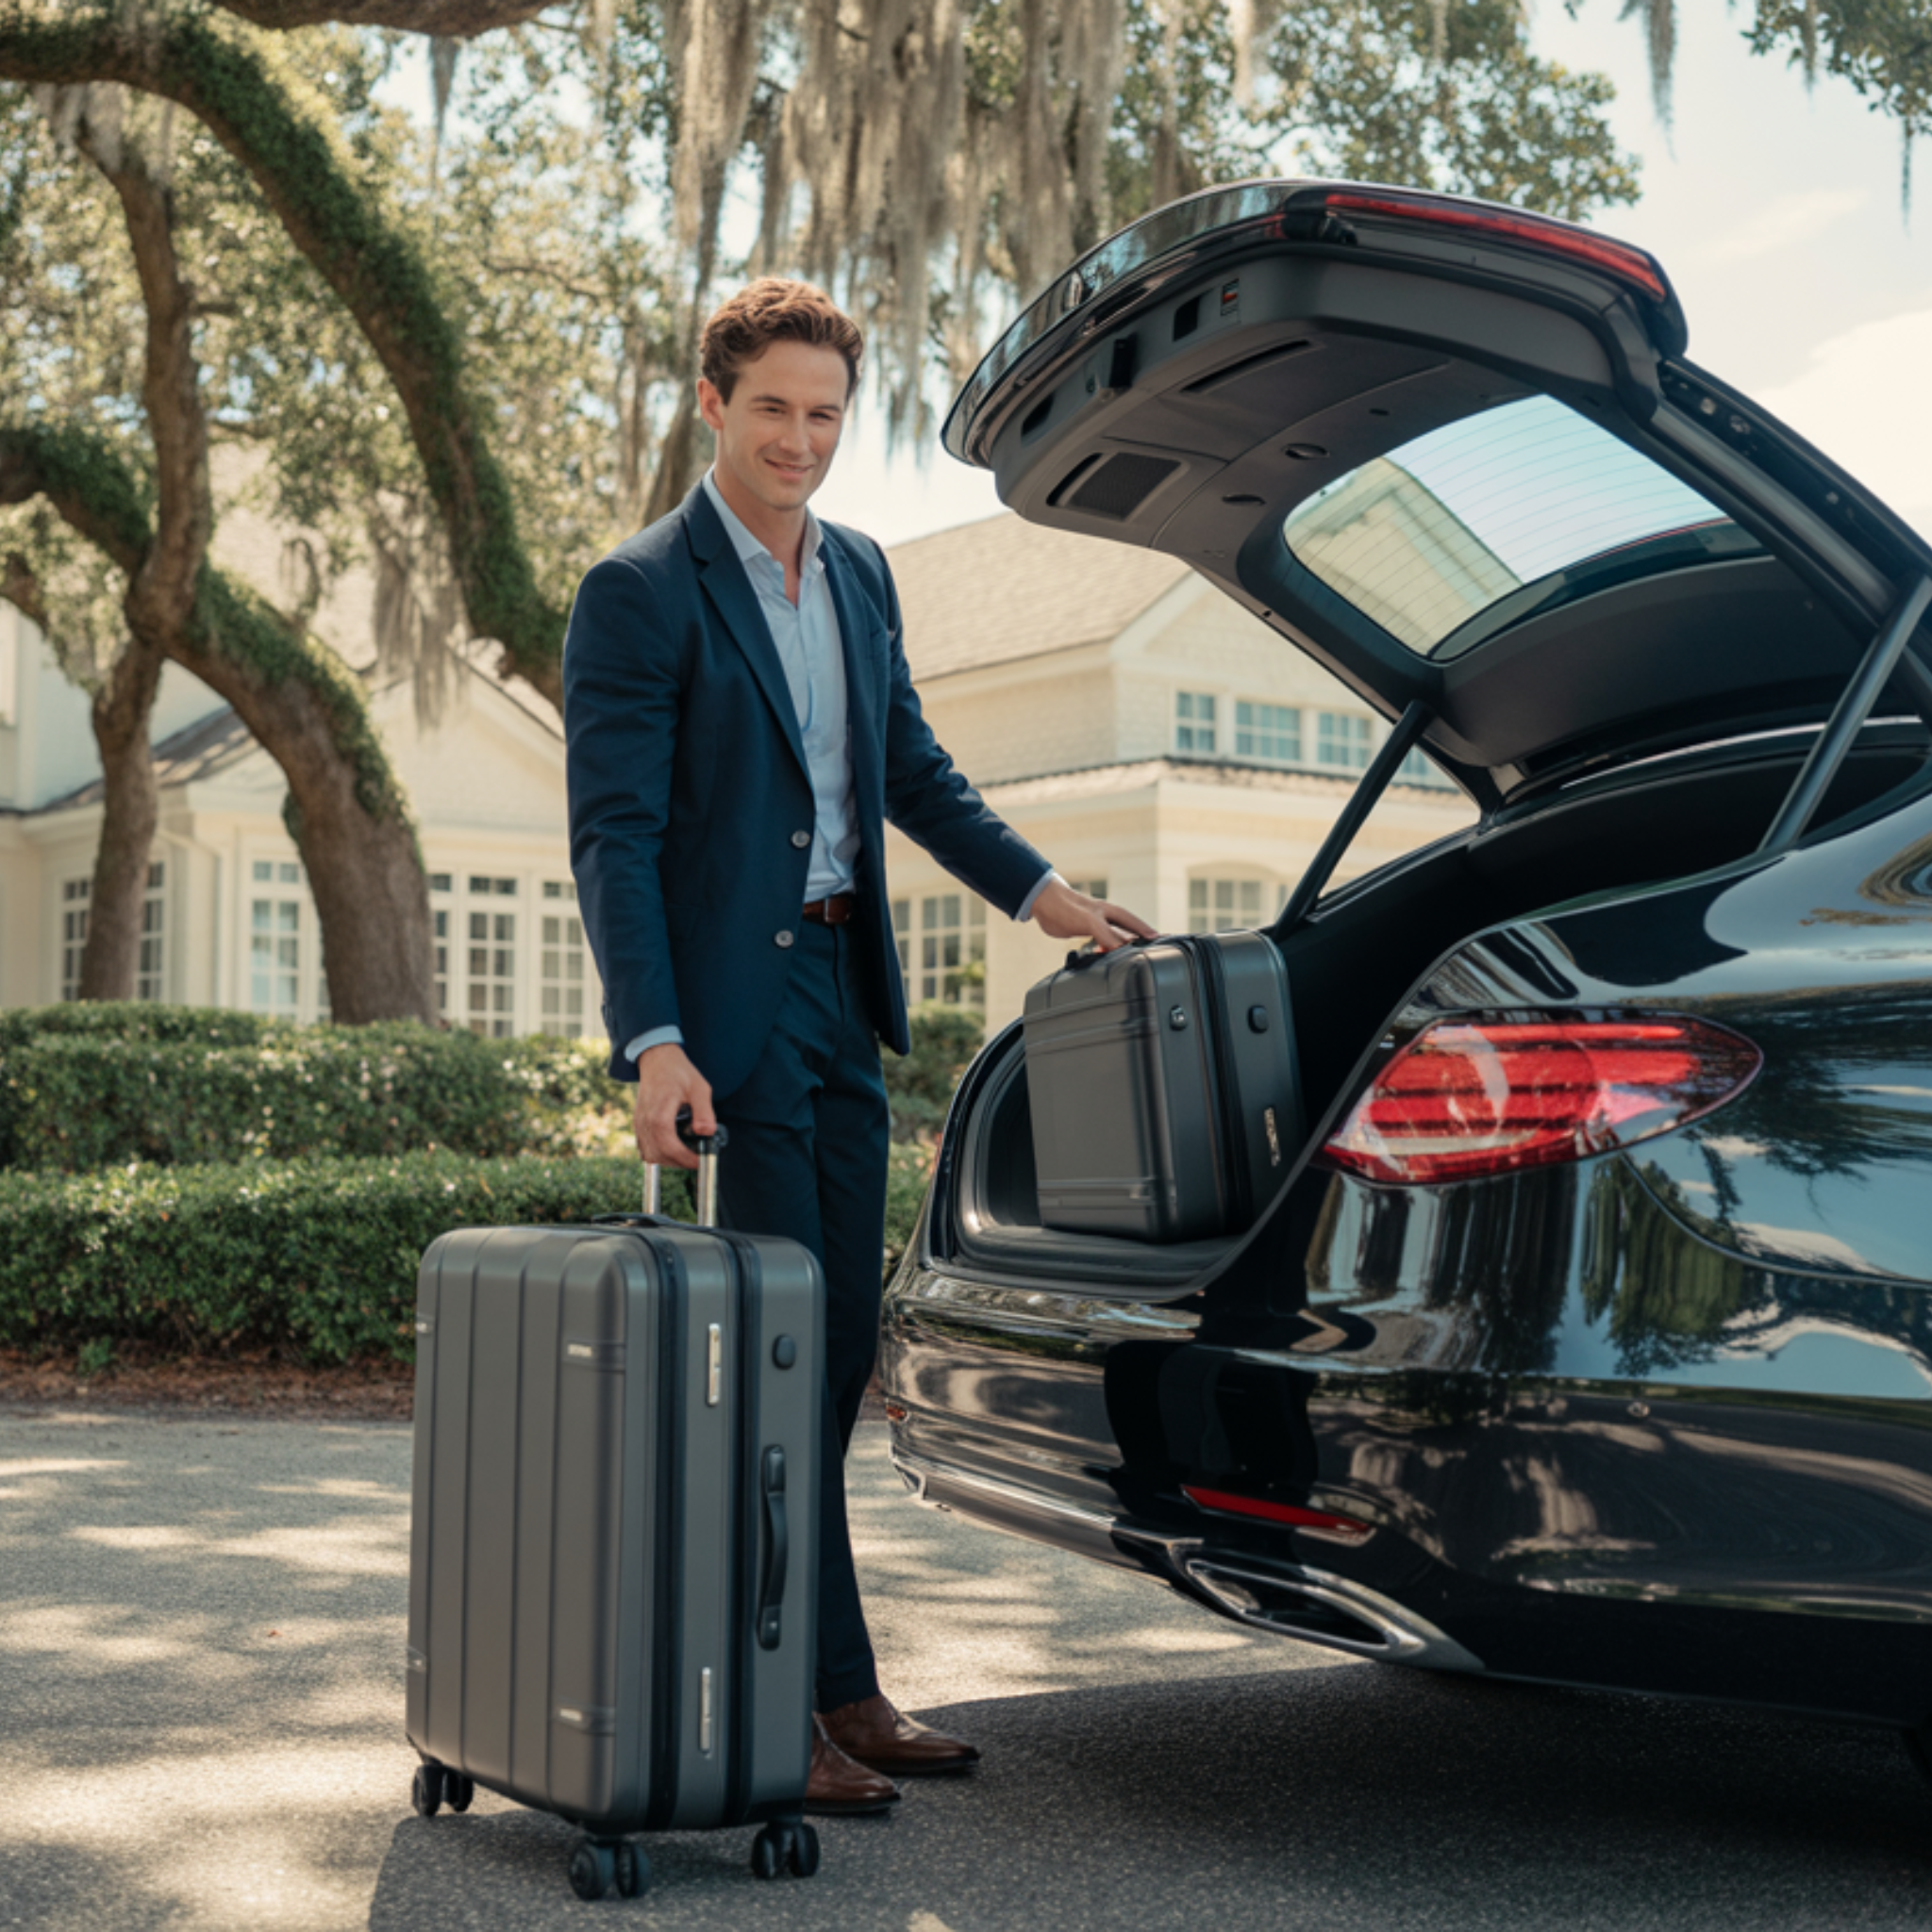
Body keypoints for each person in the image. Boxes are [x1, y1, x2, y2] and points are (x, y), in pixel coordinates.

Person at [563, 277, 1156, 1816]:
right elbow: (615, 838)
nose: (801, 440)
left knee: (830, 1363)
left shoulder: (867, 578)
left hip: (844, 1004)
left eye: (826, 414)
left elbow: (913, 772)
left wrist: (1046, 897)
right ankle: (789, 1707)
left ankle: (830, 1681)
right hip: (731, 1026)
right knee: (768, 1364)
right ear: (714, 406)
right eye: (773, 408)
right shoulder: (642, 592)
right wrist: (655, 1041)